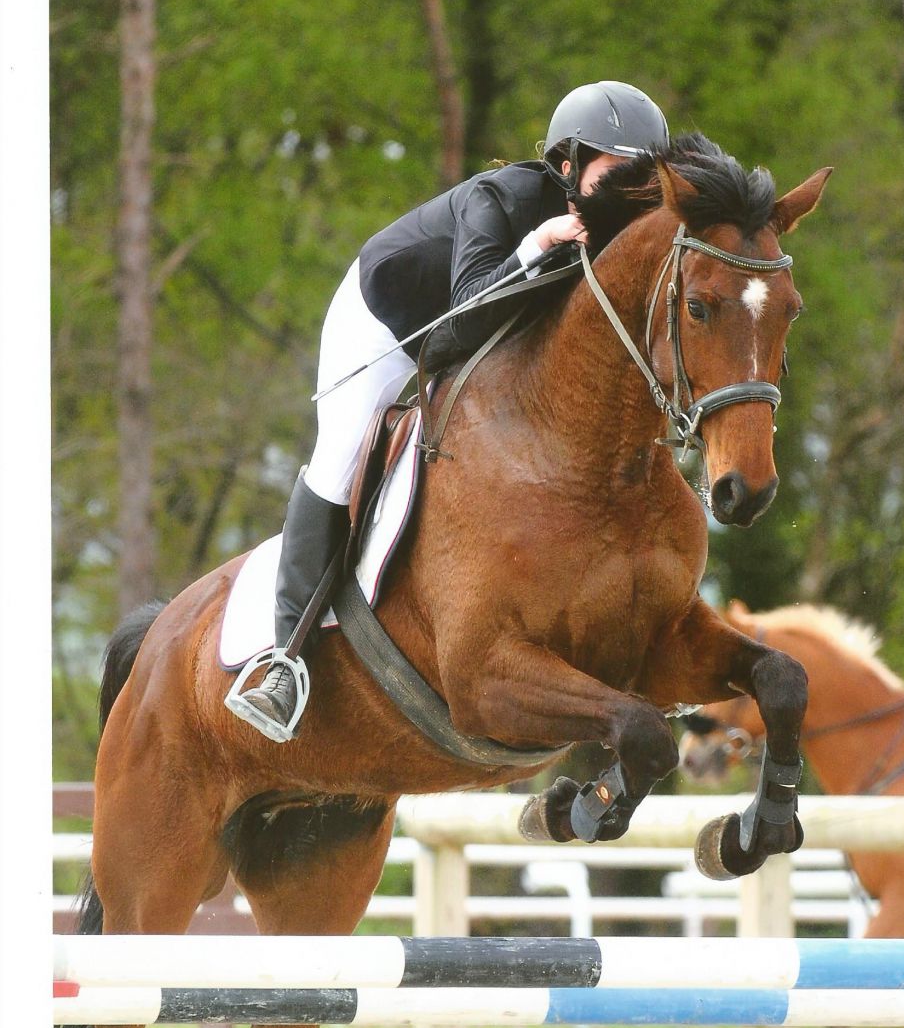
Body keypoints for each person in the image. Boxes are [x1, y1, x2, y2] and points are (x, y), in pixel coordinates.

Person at [229, 81, 669, 741]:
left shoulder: (616, 230)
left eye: (646, 178)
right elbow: (460, 321)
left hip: (486, 335)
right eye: (619, 172)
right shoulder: (501, 199)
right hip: (390, 322)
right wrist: (538, 243)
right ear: (569, 163)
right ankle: (285, 660)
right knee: (339, 453)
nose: (634, 192)